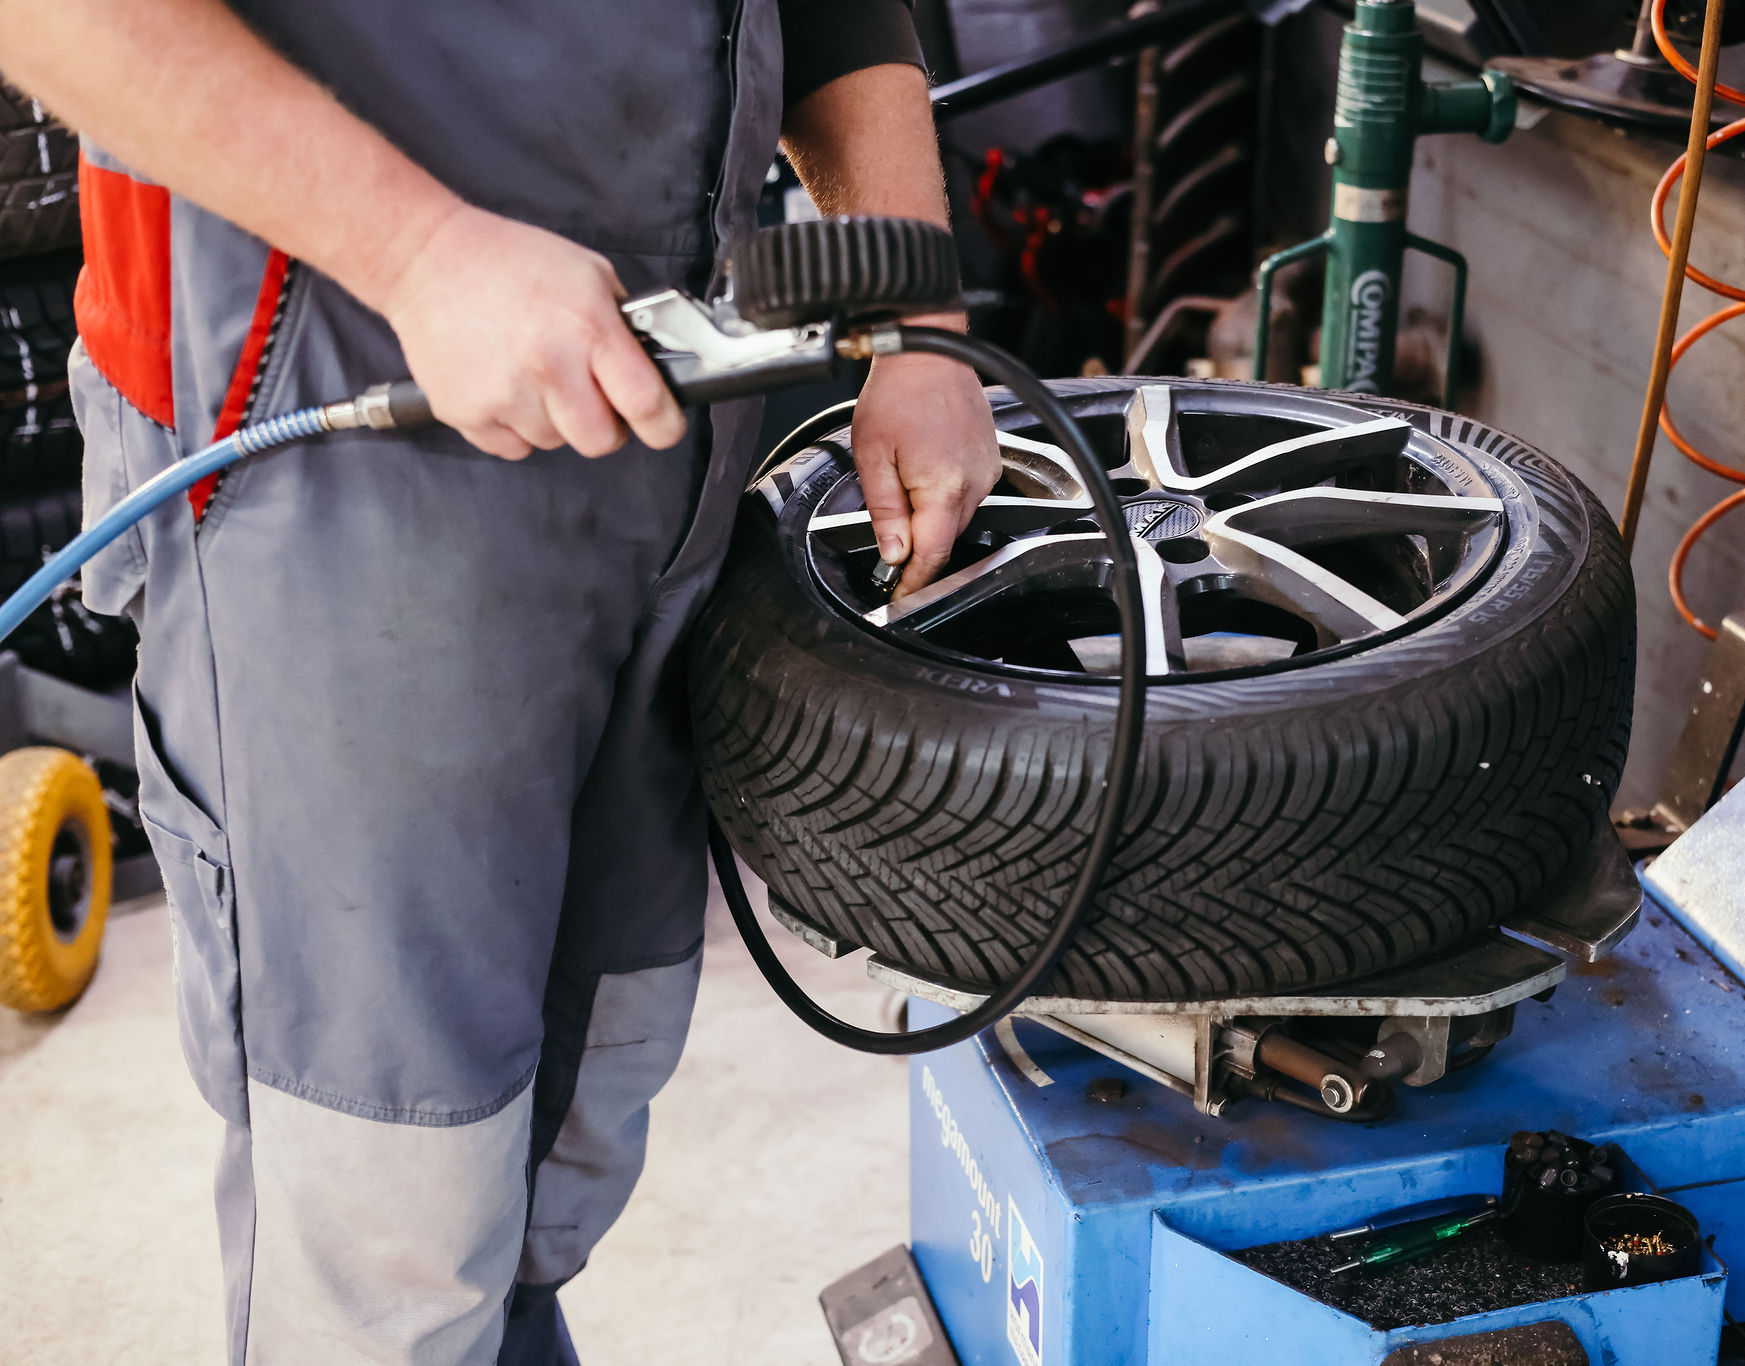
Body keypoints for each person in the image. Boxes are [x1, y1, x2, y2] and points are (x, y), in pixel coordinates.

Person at [0, 1, 1001, 1361]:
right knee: (388, 1216)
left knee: (563, 1136)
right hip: (340, 426)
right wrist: (421, 254)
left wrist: (915, 318)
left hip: (658, 432)